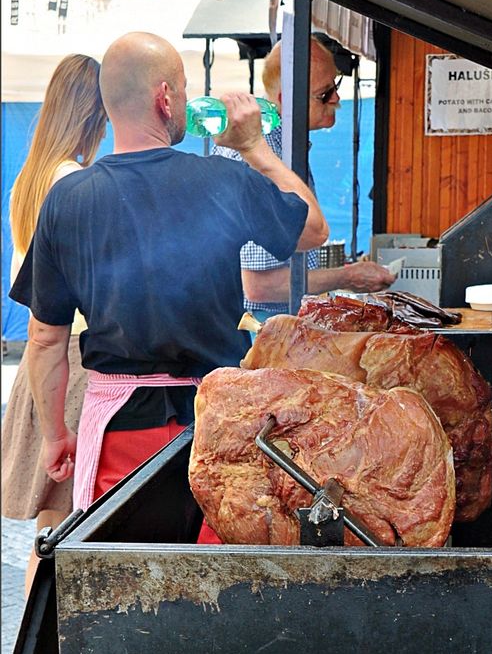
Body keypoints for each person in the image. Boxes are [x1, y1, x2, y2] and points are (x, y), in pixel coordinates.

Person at [9, 32, 327, 524]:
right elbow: (312, 230)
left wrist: (55, 435)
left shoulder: (68, 199)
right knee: (215, 582)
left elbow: (45, 338)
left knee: (122, 581)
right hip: (217, 422)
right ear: (164, 97)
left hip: (120, 429)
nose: (183, 100)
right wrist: (256, 149)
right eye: (180, 89)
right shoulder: (222, 179)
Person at [1, 54, 107, 594]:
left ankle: (31, 649)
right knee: (64, 528)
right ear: (93, 112)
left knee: (52, 531)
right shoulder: (75, 181)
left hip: (42, 361)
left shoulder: (34, 175)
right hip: (72, 364)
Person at [213, 36, 394, 321]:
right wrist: (347, 277)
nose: (335, 98)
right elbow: (261, 287)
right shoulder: (262, 155)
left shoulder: (282, 146)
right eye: (324, 93)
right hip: (263, 326)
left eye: (336, 85)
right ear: (288, 100)